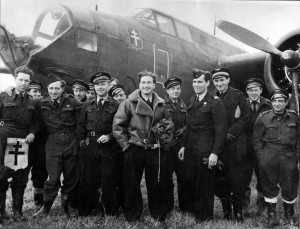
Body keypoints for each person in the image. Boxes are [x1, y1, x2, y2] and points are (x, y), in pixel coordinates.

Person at [113, 70, 173, 222]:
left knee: (155, 182)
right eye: (143, 82)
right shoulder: (128, 103)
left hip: (154, 149)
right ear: (139, 84)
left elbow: (168, 124)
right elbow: (118, 126)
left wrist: (164, 136)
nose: (146, 85)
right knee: (132, 183)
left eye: (149, 82)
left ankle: (158, 213)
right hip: (134, 148)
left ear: (154, 85)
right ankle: (132, 214)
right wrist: (126, 146)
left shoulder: (161, 104)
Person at [178, 69, 227, 221]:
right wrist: (184, 145)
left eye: (200, 82)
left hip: (206, 150)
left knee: (205, 184)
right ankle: (193, 210)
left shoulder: (215, 102)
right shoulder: (193, 100)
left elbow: (221, 131)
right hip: (192, 149)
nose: (196, 85)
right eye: (194, 82)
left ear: (207, 83)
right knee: (191, 180)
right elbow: (189, 126)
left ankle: (205, 216)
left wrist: (215, 153)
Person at [33, 74, 82, 218]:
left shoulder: (73, 102)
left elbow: (81, 121)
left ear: (62, 89)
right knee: (53, 178)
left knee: (70, 177)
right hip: (53, 142)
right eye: (51, 88)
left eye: (56, 88)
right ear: (47, 89)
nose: (54, 91)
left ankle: (65, 208)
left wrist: (79, 141)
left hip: (71, 140)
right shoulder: (40, 102)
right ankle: (45, 208)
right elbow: (26, 104)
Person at [77, 72, 121, 216]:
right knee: (88, 178)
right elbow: (80, 126)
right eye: (97, 85)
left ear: (109, 85)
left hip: (108, 147)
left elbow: (121, 127)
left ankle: (109, 210)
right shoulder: (86, 105)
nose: (100, 87)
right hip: (90, 145)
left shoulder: (117, 105)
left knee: (108, 177)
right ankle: (87, 208)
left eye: (103, 84)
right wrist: (83, 143)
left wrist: (109, 136)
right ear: (94, 87)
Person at [253, 89, 299, 227]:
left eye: (281, 101)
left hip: (288, 155)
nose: (277, 104)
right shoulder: (263, 117)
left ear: (286, 102)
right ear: (271, 102)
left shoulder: (294, 117)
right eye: (274, 101)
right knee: (268, 185)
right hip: (269, 154)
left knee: (290, 186)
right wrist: (262, 157)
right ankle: (271, 215)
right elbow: (256, 140)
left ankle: (289, 214)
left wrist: (297, 156)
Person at [0, 66, 40, 221]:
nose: (23, 83)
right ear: (15, 79)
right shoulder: (4, 97)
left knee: (20, 177)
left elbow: (37, 122)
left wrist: (32, 133)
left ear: (29, 82)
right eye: (20, 79)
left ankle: (17, 212)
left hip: (20, 141)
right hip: (3, 139)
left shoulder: (33, 101)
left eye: (26, 80)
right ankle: (1, 212)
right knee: (1, 175)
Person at [211, 67, 250, 222]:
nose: (219, 83)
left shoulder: (238, 95)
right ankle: (226, 212)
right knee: (220, 180)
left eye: (222, 80)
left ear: (228, 80)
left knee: (237, 181)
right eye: (216, 80)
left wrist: (228, 134)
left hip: (235, 145)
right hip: (218, 147)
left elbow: (245, 118)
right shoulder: (211, 97)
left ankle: (238, 212)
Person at [243, 78, 272, 216]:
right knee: (243, 176)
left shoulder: (269, 105)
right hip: (245, 148)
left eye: (256, 90)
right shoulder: (241, 104)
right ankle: (244, 205)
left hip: (263, 148)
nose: (253, 93)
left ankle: (262, 205)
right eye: (250, 90)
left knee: (263, 177)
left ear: (261, 90)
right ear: (246, 91)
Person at [162, 77, 188, 213]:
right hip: (167, 146)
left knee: (183, 176)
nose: (176, 91)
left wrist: (183, 130)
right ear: (167, 90)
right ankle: (167, 206)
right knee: (167, 178)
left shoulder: (184, 105)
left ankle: (185, 206)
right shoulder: (161, 104)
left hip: (181, 146)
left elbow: (188, 124)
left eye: (178, 88)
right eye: (172, 88)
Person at [27, 81, 48, 208]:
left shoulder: (42, 104)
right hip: (25, 140)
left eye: (39, 91)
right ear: (28, 93)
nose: (38, 94)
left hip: (41, 140)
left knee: (40, 168)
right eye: (34, 92)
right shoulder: (23, 103)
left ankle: (38, 195)